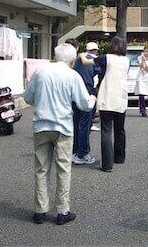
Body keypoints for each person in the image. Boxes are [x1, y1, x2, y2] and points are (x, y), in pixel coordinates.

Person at [24, 43, 95, 225]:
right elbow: (84, 104)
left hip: (41, 125)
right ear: (72, 60)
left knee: (41, 169)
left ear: (55, 56)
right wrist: (93, 98)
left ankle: (40, 211)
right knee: (63, 169)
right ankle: (63, 212)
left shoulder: (40, 72)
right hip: (63, 127)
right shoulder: (73, 75)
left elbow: (27, 98)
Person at [95, 36, 130, 172]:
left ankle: (107, 164)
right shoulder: (126, 60)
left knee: (106, 129)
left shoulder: (106, 58)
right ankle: (119, 157)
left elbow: (89, 61)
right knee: (120, 129)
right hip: (121, 97)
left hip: (107, 96)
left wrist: (82, 56)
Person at [71, 41, 102, 165]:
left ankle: (74, 151)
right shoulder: (95, 60)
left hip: (73, 93)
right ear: (95, 50)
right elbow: (100, 73)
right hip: (87, 92)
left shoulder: (76, 59)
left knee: (76, 123)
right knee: (85, 124)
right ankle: (82, 154)